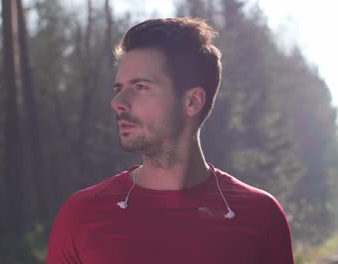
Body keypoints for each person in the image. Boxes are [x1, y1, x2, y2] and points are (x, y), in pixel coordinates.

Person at [47, 17, 294, 264]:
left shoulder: (261, 215)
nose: (118, 102)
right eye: (118, 88)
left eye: (141, 87)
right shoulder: (81, 215)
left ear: (192, 102)